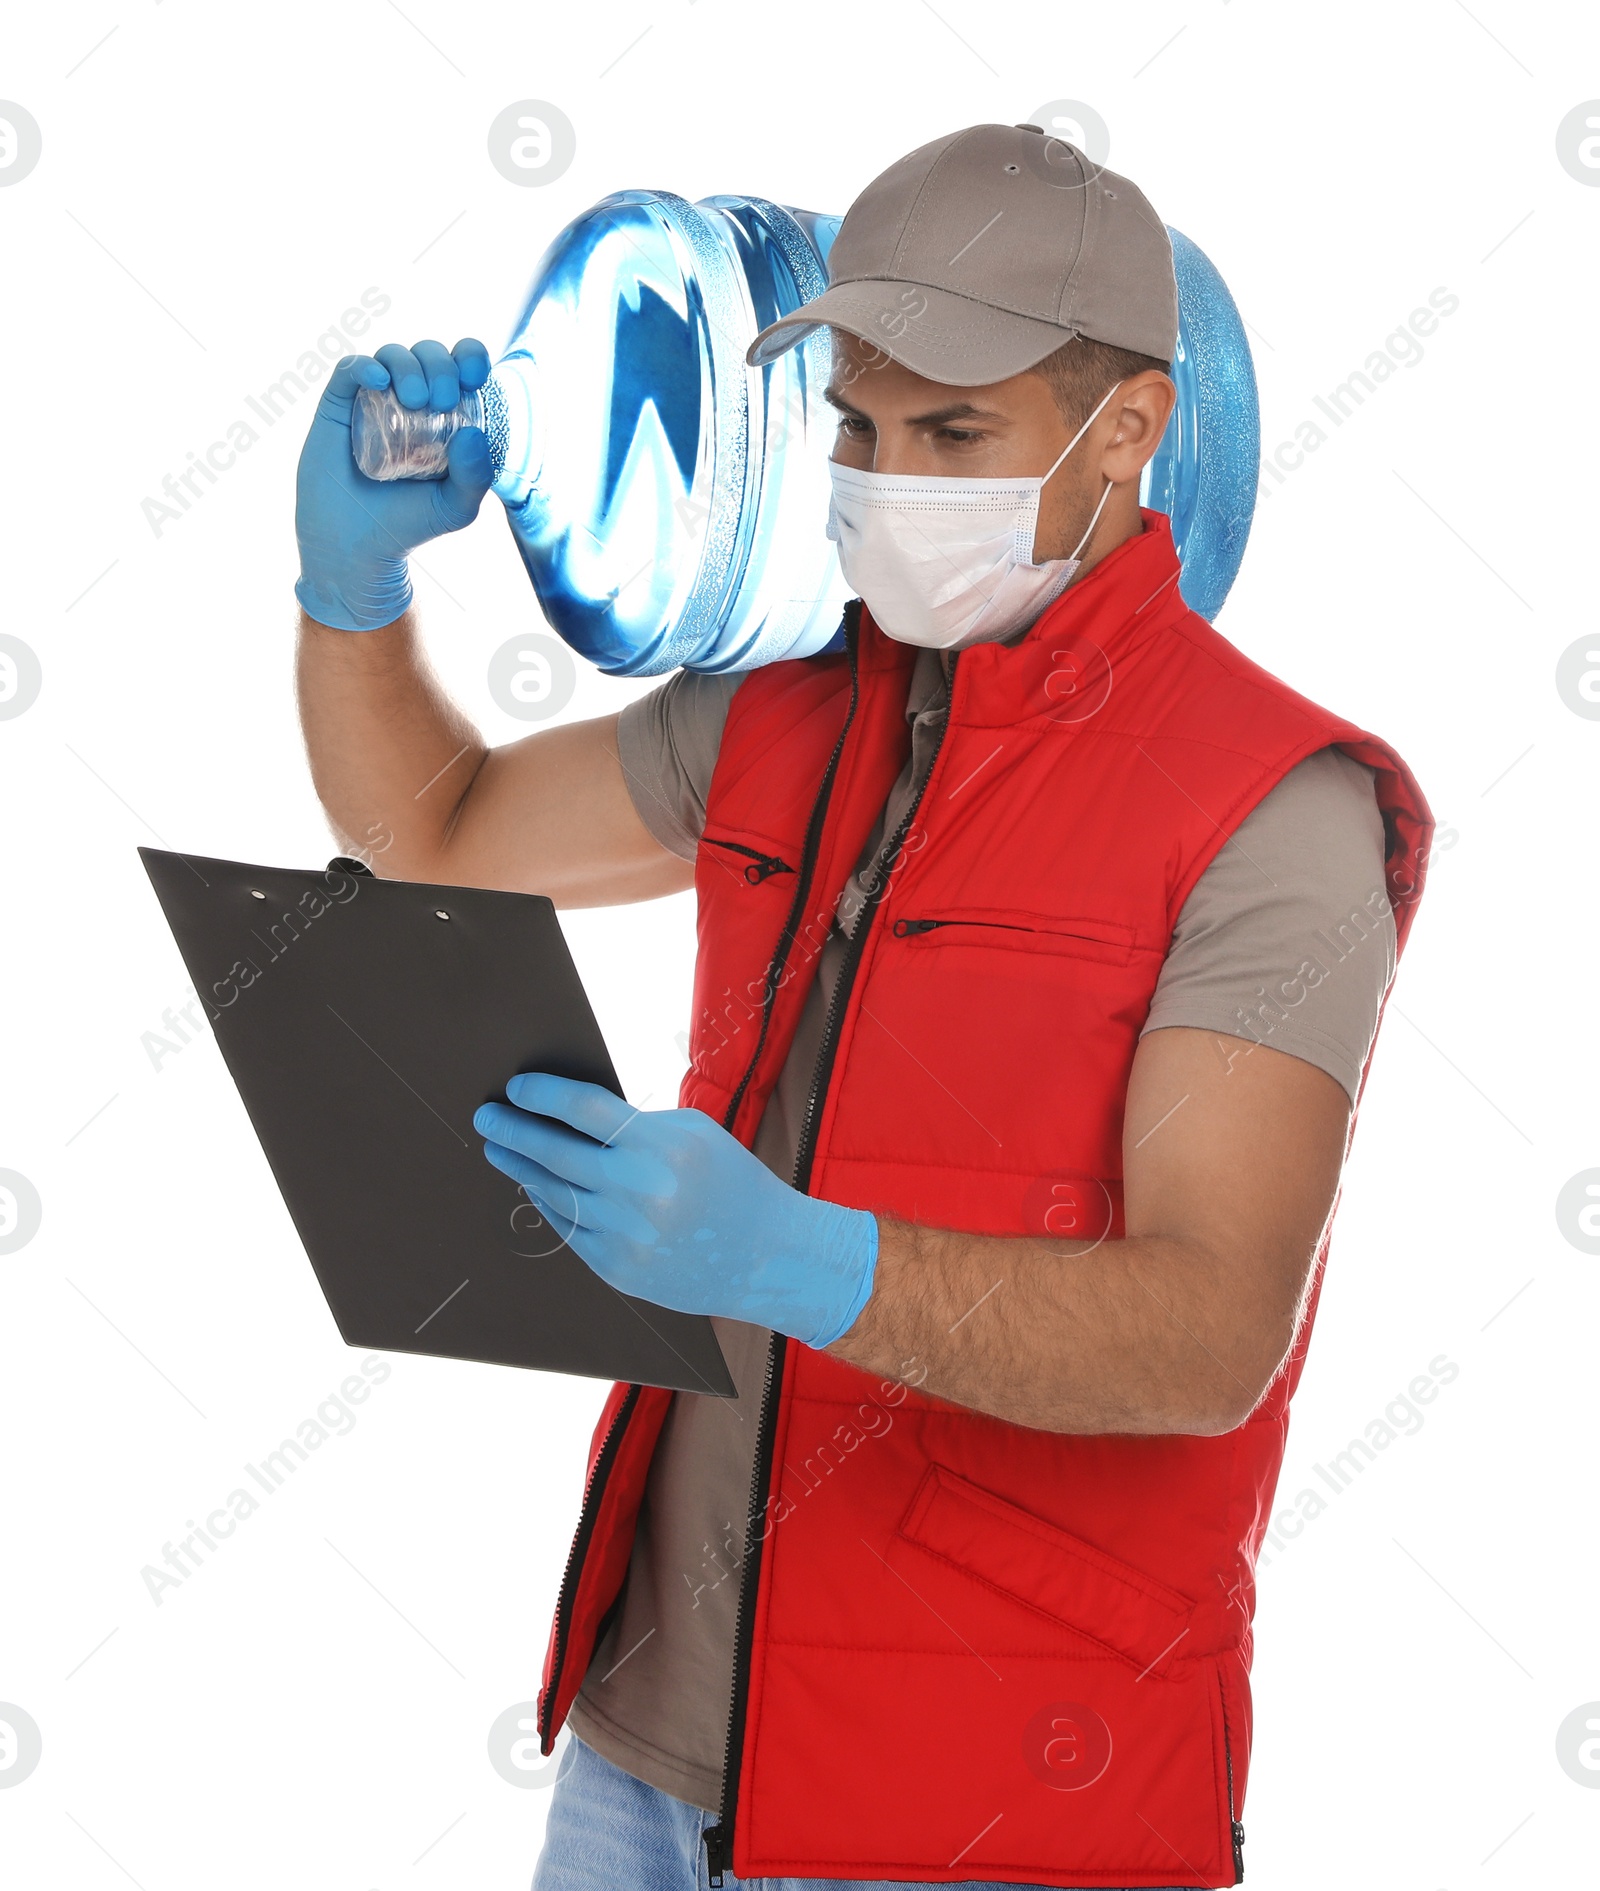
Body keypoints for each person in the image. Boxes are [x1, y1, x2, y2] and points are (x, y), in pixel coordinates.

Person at [293, 123, 1432, 1891]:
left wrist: (810, 1267)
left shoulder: (1274, 809)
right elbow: (431, 837)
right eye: (858, 425)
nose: (883, 478)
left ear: (1126, 434)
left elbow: (1214, 1335)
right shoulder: (790, 712)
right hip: (655, 1743)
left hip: (984, 1795)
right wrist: (355, 598)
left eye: (954, 433)